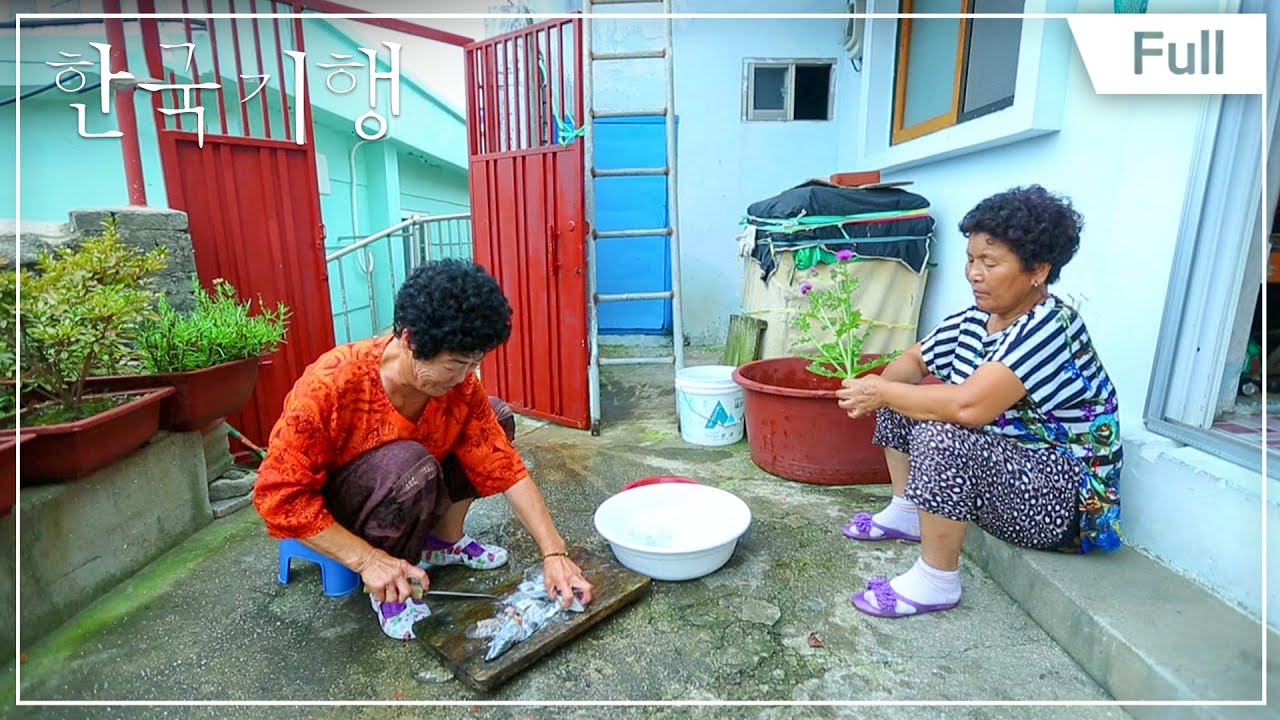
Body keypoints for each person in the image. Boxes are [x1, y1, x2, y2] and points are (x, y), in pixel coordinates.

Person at [253, 259, 593, 639]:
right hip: (340, 510)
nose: (465, 377)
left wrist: (554, 553)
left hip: (408, 479)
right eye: (455, 364)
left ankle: (441, 543)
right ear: (410, 341)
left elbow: (504, 464)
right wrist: (367, 560)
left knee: (495, 416)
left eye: (474, 363)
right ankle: (390, 585)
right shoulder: (332, 384)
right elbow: (277, 496)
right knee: (411, 465)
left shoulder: (459, 387)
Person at [835, 185, 1122, 619]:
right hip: (1012, 472)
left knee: (939, 426)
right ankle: (907, 510)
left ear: (1038, 271)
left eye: (990, 263)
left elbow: (969, 408)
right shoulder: (976, 318)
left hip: (1066, 503)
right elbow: (913, 360)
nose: (974, 273)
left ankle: (936, 580)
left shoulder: (1050, 327)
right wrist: (874, 390)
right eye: (971, 260)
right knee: (904, 397)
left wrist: (883, 392)